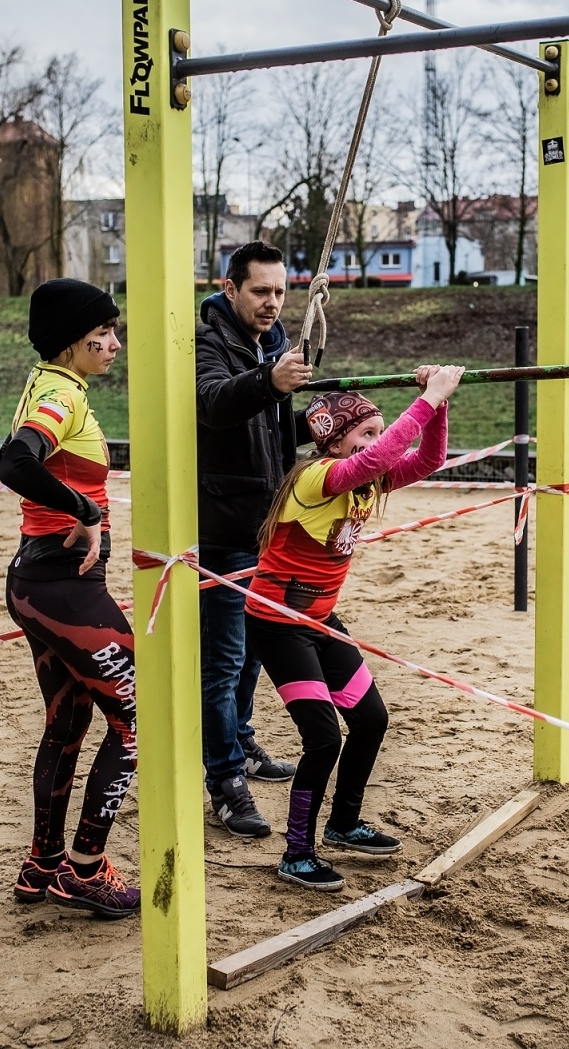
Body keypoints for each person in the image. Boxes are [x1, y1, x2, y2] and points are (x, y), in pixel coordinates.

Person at [245, 365, 465, 891]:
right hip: (278, 623)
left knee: (370, 719)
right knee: (322, 739)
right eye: (366, 431)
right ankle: (297, 854)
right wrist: (430, 397)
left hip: (319, 620)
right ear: (336, 441)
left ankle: (343, 824)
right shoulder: (319, 476)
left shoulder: (368, 477)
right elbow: (383, 454)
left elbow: (429, 459)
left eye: (378, 429)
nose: (377, 439)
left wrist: (437, 405)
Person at [0, 278, 140, 919]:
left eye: (115, 331)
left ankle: (43, 863)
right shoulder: (59, 392)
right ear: (68, 343)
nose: (114, 344)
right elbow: (15, 462)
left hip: (41, 584)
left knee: (69, 723)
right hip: (60, 587)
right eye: (100, 335)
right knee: (140, 722)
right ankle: (84, 867)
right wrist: (86, 510)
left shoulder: (57, 385)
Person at [196, 241, 310, 838]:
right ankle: (224, 781)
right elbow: (214, 404)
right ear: (231, 286)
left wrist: (311, 422)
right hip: (222, 525)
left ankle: (240, 743)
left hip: (269, 525)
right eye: (261, 291)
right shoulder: (205, 341)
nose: (273, 303)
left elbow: (266, 423)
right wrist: (270, 380)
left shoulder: (274, 340)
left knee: (255, 652)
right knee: (224, 659)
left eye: (281, 291)